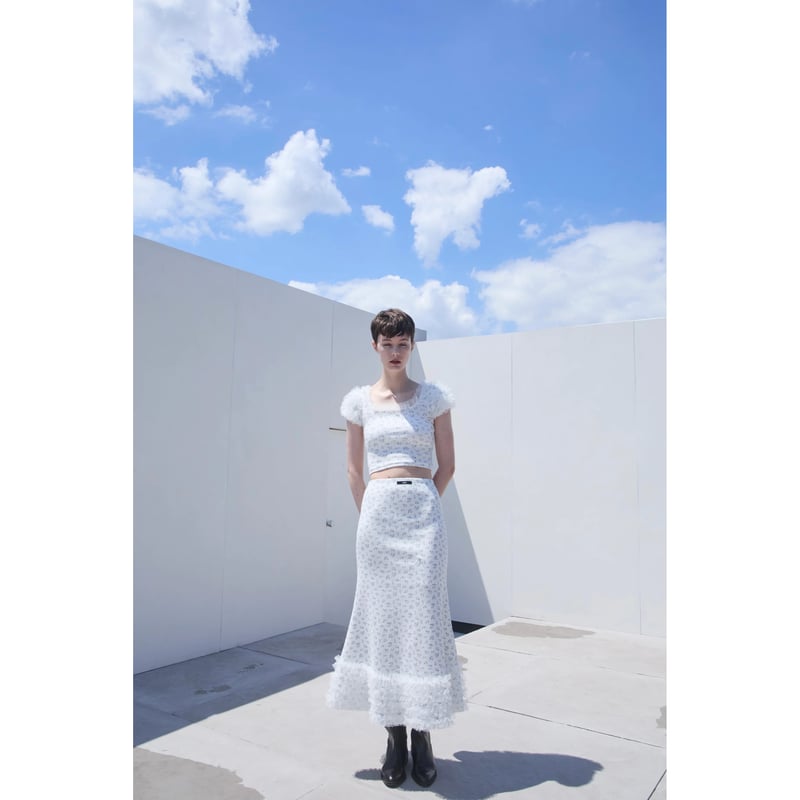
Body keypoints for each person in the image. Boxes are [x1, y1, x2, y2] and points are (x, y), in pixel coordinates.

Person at [326, 308, 467, 788]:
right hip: (378, 518)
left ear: (411, 346)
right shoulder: (359, 403)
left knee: (424, 621)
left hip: (423, 516)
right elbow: (353, 470)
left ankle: (423, 735)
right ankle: (394, 735)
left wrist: (424, 501)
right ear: (375, 347)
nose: (395, 351)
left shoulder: (433, 399)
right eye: (387, 343)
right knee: (382, 621)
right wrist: (372, 512)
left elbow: (447, 465)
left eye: (403, 343)